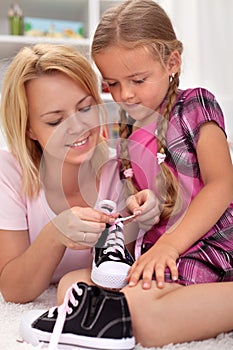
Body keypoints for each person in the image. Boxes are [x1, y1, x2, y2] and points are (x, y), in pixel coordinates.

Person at [18, 1, 233, 348]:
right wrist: (144, 204)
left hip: (207, 242)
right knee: (71, 286)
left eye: (137, 80)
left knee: (140, 316)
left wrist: (169, 246)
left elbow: (222, 183)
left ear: (172, 63)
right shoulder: (127, 133)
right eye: (113, 84)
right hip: (157, 247)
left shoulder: (195, 105)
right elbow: (158, 195)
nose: (125, 94)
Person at [0, 43, 158, 305]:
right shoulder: (9, 172)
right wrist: (55, 233)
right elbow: (14, 291)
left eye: (85, 108)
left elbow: (122, 274)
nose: (77, 127)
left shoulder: (119, 169)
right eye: (55, 120)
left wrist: (146, 217)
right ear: (29, 129)